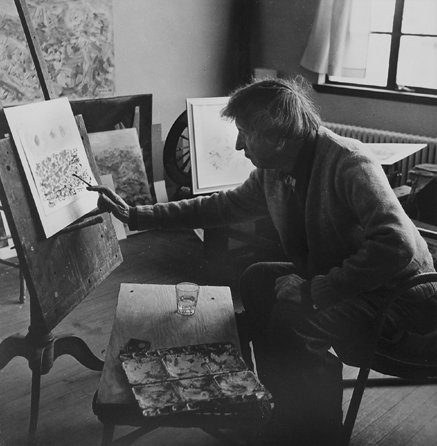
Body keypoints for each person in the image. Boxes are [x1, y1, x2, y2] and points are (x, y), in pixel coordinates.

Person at [88, 77, 437, 445]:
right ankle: (282, 406)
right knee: (257, 280)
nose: (239, 145)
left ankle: (319, 434)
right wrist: (137, 214)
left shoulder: (349, 162)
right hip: (352, 280)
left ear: (278, 138)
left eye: (246, 134)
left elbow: (395, 244)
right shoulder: (275, 171)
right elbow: (221, 206)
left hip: (401, 297)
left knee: (293, 320)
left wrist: (316, 290)